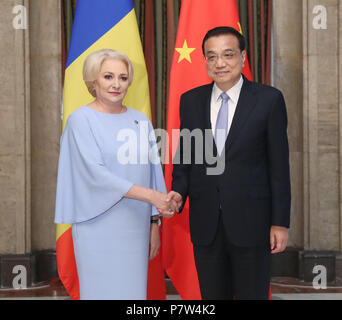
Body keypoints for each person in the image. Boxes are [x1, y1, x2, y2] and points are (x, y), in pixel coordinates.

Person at [166, 26, 291, 300]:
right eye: (211, 57)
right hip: (206, 223)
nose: (219, 63)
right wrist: (178, 191)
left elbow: (279, 167)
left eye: (228, 54)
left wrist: (280, 222)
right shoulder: (191, 101)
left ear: (243, 57)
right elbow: (187, 156)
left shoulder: (268, 100)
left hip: (253, 224)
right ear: (205, 62)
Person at [55, 49, 175, 300]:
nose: (116, 84)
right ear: (93, 81)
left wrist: (154, 223)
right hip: (95, 223)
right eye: (108, 76)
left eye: (122, 77)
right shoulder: (80, 120)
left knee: (133, 293)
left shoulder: (141, 121)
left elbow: (152, 171)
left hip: (136, 223)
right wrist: (152, 196)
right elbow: (95, 175)